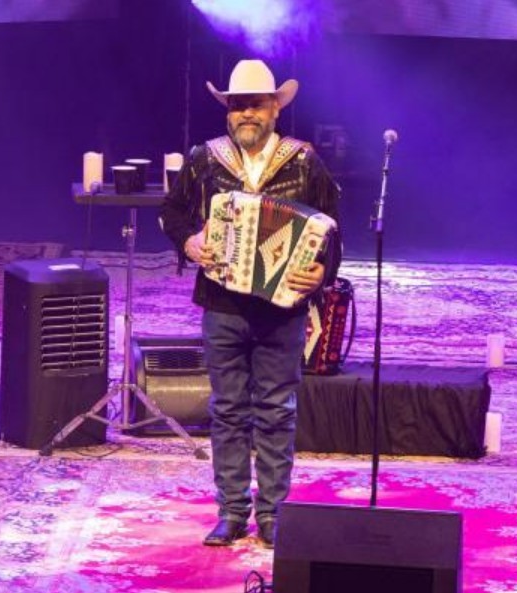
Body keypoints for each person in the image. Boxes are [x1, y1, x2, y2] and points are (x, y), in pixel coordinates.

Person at [159, 59, 341, 549]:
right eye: (238, 106)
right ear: (227, 114)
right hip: (223, 305)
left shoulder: (304, 163)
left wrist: (322, 271)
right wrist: (190, 243)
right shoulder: (204, 159)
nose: (246, 115)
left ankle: (275, 516)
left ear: (275, 110)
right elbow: (171, 213)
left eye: (256, 105)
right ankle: (232, 512)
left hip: (283, 309)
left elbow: (333, 234)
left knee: (277, 411)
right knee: (228, 410)